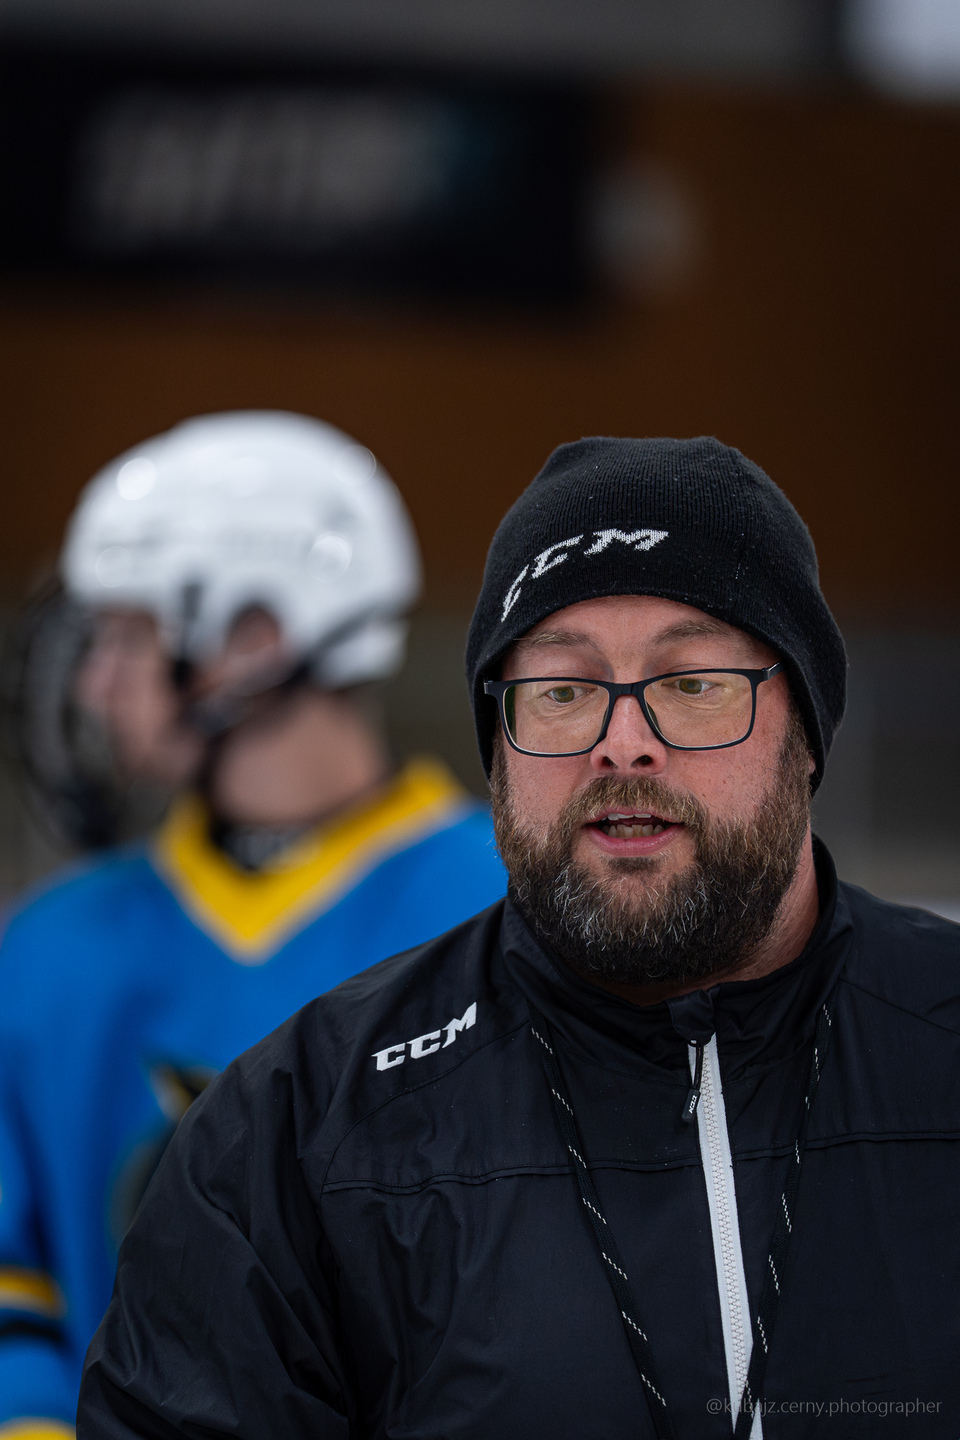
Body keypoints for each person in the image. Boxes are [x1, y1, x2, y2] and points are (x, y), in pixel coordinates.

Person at [78, 437, 960, 1440]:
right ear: (498, 750)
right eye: (563, 690)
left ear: (807, 731)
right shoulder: (298, 1133)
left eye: (693, 682)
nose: (623, 743)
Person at [0, 412, 506, 1439]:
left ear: (255, 641)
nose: (95, 680)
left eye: (128, 634)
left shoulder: (515, 912)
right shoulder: (47, 946)